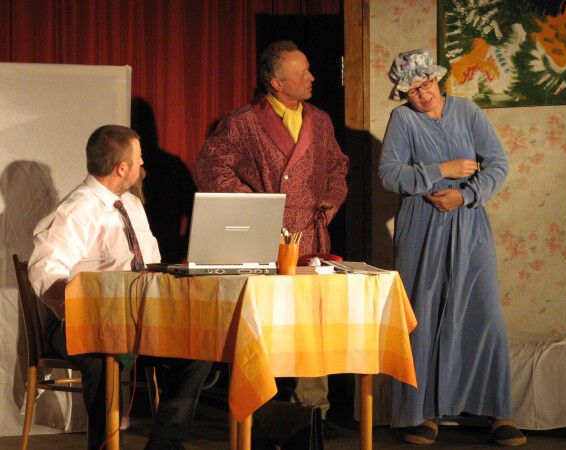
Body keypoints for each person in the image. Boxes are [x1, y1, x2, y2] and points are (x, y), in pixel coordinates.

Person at [195, 40, 348, 437]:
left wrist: (331, 200)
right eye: (303, 72)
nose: (312, 77)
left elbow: (338, 165)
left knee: (311, 324)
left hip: (310, 236)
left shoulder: (321, 120)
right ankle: (261, 410)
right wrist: (256, 206)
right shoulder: (243, 121)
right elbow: (211, 168)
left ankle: (313, 413)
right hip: (264, 237)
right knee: (266, 324)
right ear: (277, 82)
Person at [28, 125, 212, 450]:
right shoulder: (78, 209)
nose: (143, 164)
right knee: (100, 355)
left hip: (134, 319)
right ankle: (102, 445)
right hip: (76, 322)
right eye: (139, 158)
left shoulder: (131, 205)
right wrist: (82, 310)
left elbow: (150, 263)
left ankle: (164, 441)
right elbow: (43, 268)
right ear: (122, 168)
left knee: (200, 342)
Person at [378, 50, 526, 446]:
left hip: (468, 223)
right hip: (420, 227)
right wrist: (441, 171)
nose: (423, 94)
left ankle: (497, 412)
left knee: (484, 312)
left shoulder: (468, 112)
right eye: (412, 90)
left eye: (426, 84)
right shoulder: (402, 120)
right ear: (403, 94)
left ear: (437, 79)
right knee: (422, 314)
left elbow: (497, 164)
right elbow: (389, 174)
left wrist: (465, 195)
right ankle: (423, 414)